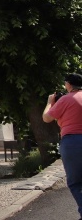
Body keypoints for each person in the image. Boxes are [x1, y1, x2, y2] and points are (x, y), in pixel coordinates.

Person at [43, 73, 82, 218]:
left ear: (68, 84)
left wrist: (49, 102)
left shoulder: (65, 99)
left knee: (75, 181)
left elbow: (47, 118)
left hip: (72, 142)